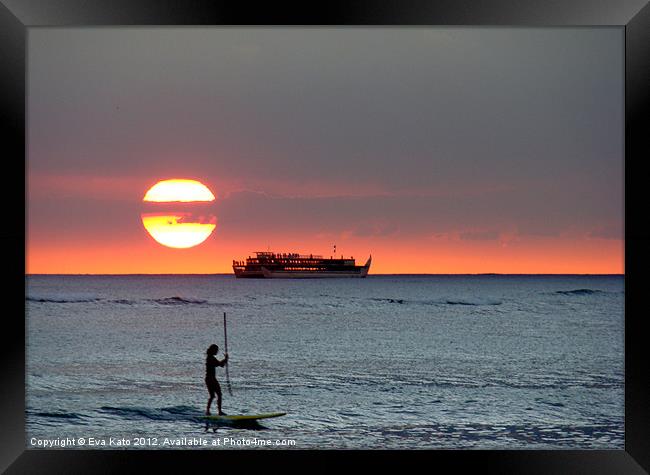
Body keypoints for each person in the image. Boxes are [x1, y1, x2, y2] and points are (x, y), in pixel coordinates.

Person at [205, 344, 228, 415]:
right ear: (213, 350)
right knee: (218, 394)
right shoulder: (210, 358)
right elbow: (219, 364)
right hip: (211, 379)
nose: (217, 351)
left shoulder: (211, 357)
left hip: (209, 379)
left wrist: (225, 360)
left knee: (213, 396)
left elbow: (221, 365)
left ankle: (208, 411)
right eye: (216, 350)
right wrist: (225, 359)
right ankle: (219, 411)